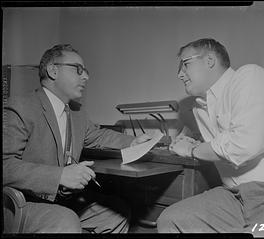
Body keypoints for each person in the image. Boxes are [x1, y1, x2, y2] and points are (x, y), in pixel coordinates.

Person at [3, 44, 152, 233]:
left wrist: (132, 142)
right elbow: (4, 165)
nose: (86, 77)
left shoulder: (77, 112)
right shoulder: (19, 107)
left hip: (61, 200)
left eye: (86, 71)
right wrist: (60, 176)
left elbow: (97, 135)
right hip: (21, 202)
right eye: (78, 69)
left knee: (117, 214)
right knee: (66, 220)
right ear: (53, 71)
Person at [156, 38, 264, 237]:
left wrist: (192, 150)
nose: (179, 74)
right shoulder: (199, 108)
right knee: (170, 220)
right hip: (233, 197)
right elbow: (224, 142)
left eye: (185, 64)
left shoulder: (250, 76)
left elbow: (245, 145)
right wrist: (194, 143)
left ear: (210, 60)